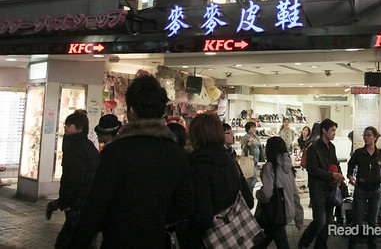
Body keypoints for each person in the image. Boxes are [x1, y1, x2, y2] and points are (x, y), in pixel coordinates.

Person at [70, 75, 194, 248]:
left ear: (131, 111)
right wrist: (157, 221)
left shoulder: (115, 152)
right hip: (156, 241)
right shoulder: (176, 154)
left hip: (118, 239)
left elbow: (96, 206)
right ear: (161, 111)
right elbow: (185, 204)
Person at [183, 113, 254, 248]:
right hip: (236, 236)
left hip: (211, 239)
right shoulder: (230, 160)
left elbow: (203, 216)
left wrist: (187, 236)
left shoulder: (198, 165)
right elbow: (248, 200)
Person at [52, 110, 100, 248]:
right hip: (82, 202)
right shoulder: (85, 145)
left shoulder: (77, 147)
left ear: (79, 127)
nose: (66, 127)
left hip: (77, 203)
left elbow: (73, 178)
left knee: (69, 242)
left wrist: (66, 201)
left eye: (69, 124)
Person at [298, 118, 344, 249]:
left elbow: (335, 164)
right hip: (317, 188)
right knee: (320, 221)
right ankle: (303, 243)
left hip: (330, 188)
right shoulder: (313, 148)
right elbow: (313, 169)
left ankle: (320, 246)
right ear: (324, 131)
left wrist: (339, 176)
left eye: (335, 130)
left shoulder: (331, 147)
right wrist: (332, 175)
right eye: (332, 130)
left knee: (328, 223)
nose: (334, 133)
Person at [256, 136, 304, 249]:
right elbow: (295, 194)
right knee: (267, 238)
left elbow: (267, 193)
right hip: (286, 212)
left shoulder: (270, 167)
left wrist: (258, 194)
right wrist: (299, 218)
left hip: (275, 213)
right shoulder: (288, 167)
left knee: (274, 240)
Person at [346, 126, 381, 249]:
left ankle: (372, 246)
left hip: (375, 190)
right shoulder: (359, 153)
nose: (366, 137)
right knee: (357, 220)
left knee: (373, 222)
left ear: (375, 137)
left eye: (369, 135)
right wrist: (350, 176)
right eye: (364, 135)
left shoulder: (380, 154)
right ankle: (352, 246)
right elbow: (350, 165)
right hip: (361, 189)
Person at [241, 121, 265, 192]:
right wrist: (249, 144)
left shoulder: (255, 137)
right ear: (248, 129)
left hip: (255, 159)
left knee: (253, 177)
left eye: (254, 127)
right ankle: (246, 190)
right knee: (253, 177)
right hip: (250, 159)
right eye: (252, 127)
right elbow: (243, 148)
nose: (254, 129)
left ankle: (248, 191)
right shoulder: (246, 137)